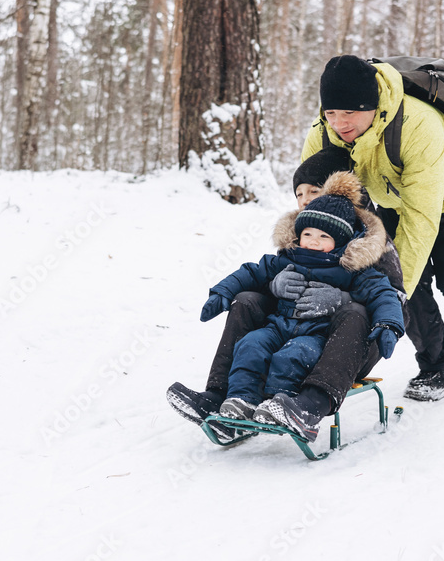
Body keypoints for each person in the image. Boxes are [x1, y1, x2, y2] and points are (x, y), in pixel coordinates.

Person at [300, 55, 444, 401]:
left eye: (349, 113)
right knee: (395, 277)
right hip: (390, 200)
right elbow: (315, 207)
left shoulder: (418, 124)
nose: (339, 123)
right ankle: (439, 367)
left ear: (371, 105)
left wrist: (395, 288)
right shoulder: (323, 135)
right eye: (331, 113)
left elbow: (421, 218)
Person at [167, 150, 406, 441]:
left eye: (314, 191)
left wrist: (377, 319)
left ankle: (296, 405)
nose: (305, 199)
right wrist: (238, 290)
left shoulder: (361, 251)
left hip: (338, 341)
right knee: (251, 333)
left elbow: (385, 293)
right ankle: (230, 399)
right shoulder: (292, 247)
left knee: (296, 353)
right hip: (281, 326)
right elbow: (254, 271)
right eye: (299, 193)